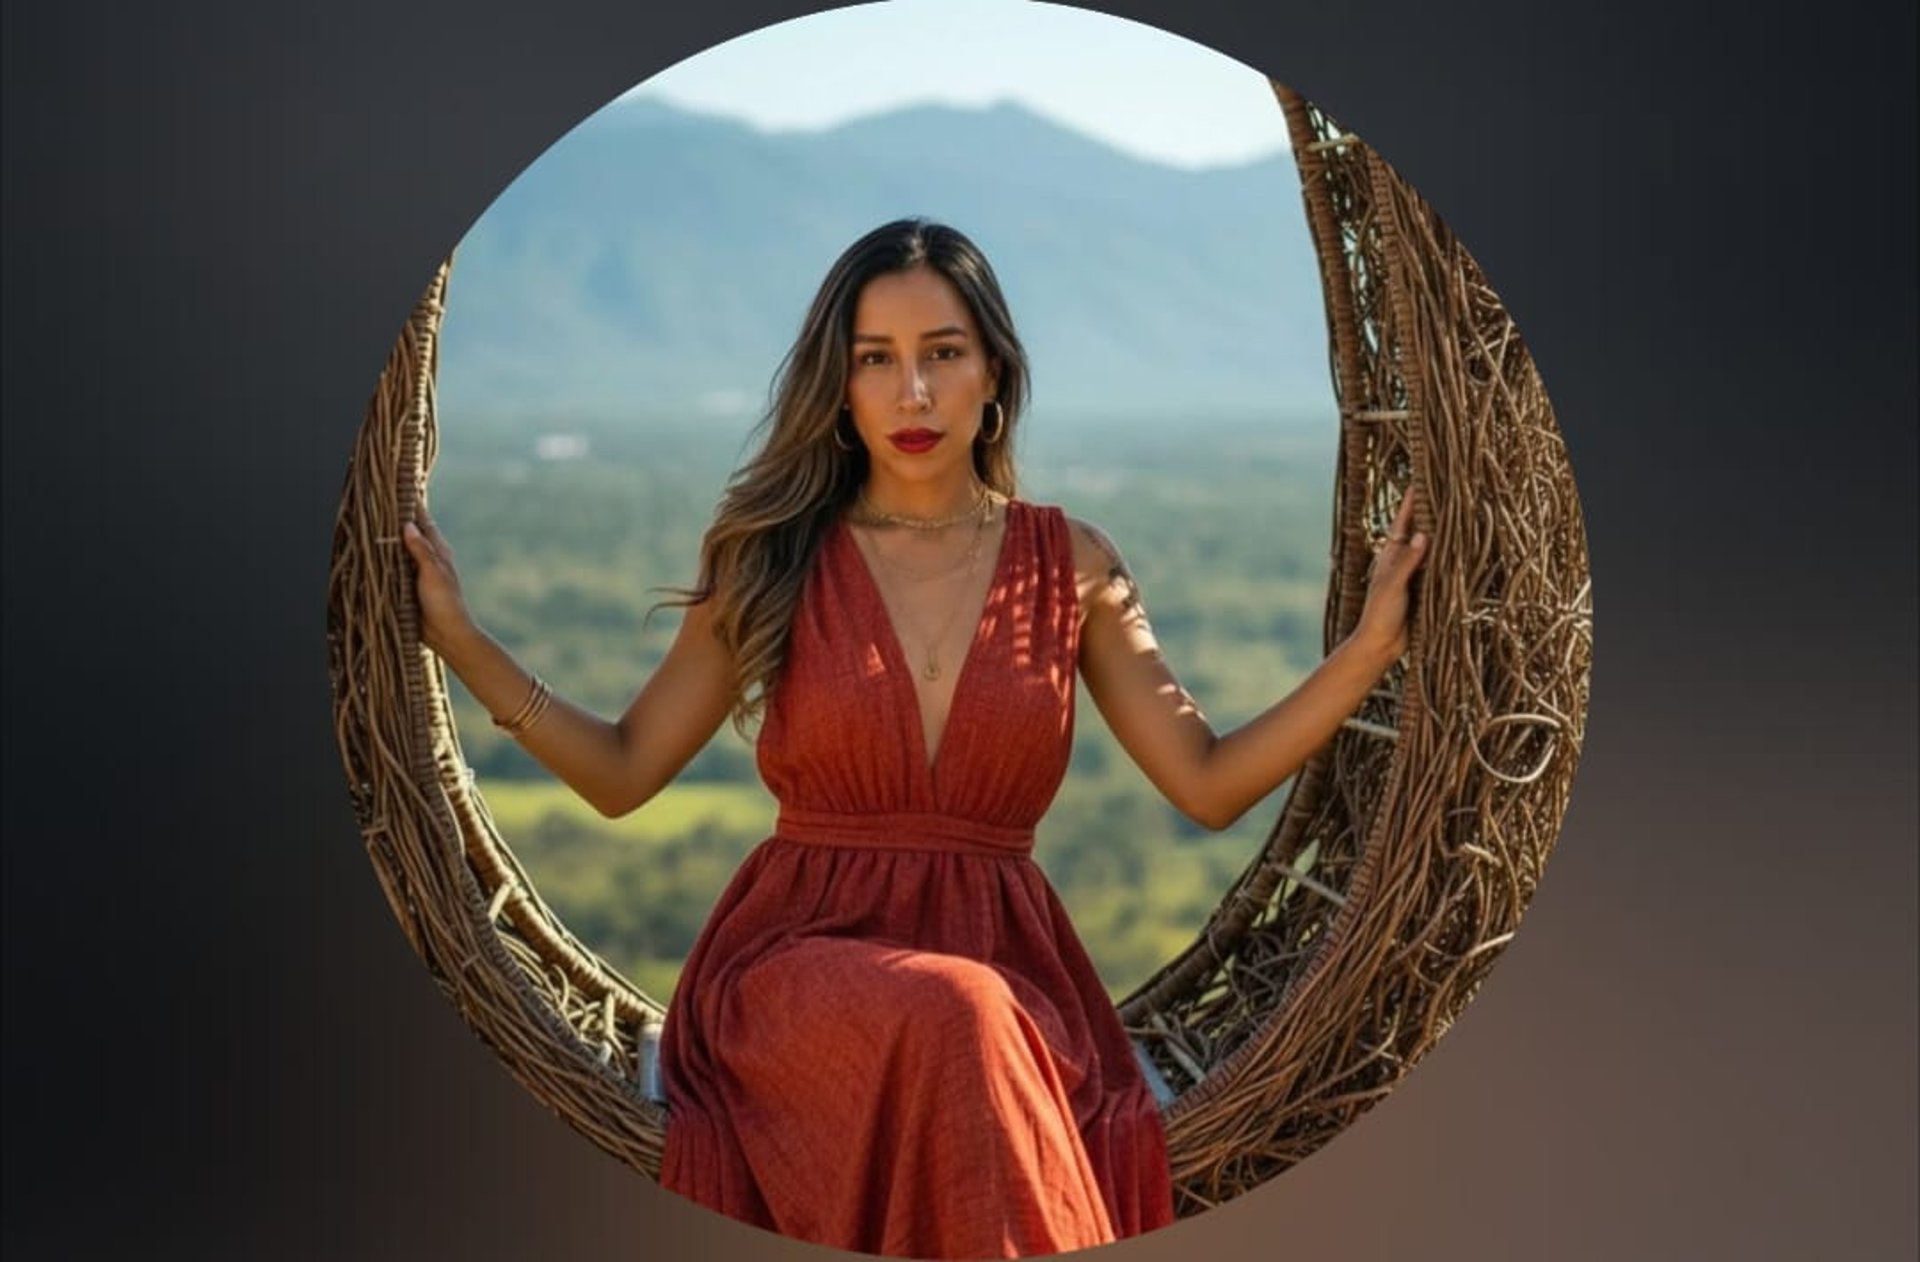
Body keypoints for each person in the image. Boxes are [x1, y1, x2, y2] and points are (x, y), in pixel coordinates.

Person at [403, 218, 1429, 1259]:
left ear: (996, 371)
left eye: (943, 352)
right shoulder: (774, 556)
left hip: (1008, 976)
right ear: (840, 386)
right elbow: (624, 772)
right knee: (960, 1015)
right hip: (798, 969)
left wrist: (1368, 653)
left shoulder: (1073, 565)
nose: (914, 394)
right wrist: (466, 642)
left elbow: (1206, 782)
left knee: (972, 1019)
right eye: (875, 361)